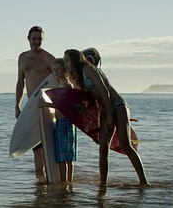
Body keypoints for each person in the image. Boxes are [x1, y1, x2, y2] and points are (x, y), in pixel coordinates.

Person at [63, 48, 148, 187]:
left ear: (74, 59)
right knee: (103, 148)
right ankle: (103, 185)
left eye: (67, 60)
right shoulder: (77, 77)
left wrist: (109, 115)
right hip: (105, 110)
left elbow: (104, 91)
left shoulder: (88, 69)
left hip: (118, 106)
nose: (66, 64)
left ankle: (143, 182)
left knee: (126, 145)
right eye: (64, 61)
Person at [15, 26, 56, 175]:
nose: (37, 42)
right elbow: (20, 82)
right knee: (35, 146)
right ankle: (39, 180)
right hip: (31, 106)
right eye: (34, 38)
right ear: (28, 39)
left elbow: (61, 77)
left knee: (47, 144)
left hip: (46, 106)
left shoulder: (47, 58)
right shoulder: (22, 58)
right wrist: (17, 106)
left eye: (39, 39)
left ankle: (52, 176)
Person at [37, 58, 77, 182]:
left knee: (62, 155)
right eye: (54, 70)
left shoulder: (65, 85)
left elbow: (64, 107)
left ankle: (64, 183)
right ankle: (68, 182)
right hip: (64, 122)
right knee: (67, 155)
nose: (55, 72)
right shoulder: (61, 85)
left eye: (58, 69)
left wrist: (45, 105)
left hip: (64, 123)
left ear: (65, 71)